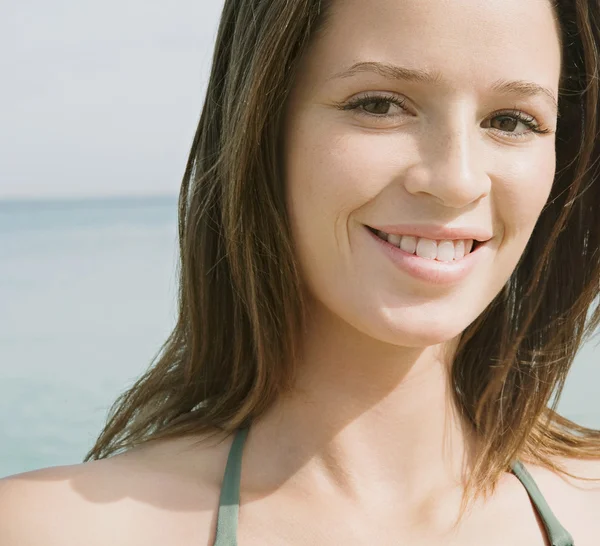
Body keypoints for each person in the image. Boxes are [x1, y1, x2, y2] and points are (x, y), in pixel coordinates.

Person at [3, 0, 600, 543]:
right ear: (262, 128)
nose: (456, 180)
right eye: (379, 105)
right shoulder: (56, 528)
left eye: (512, 121)